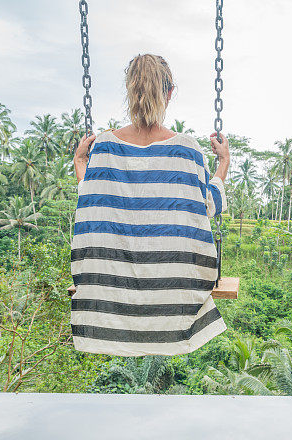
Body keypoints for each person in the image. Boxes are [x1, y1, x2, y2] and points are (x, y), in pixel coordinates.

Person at [71, 54, 229, 356]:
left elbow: (91, 201)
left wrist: (80, 160)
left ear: (130, 90)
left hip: (113, 293)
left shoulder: (104, 145)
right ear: (169, 93)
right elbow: (208, 205)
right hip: (171, 294)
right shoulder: (187, 150)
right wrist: (223, 163)